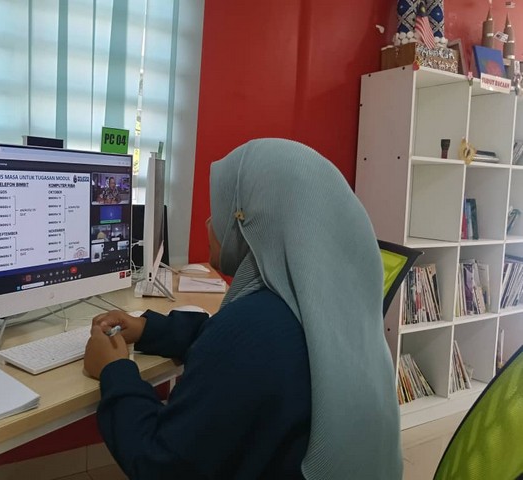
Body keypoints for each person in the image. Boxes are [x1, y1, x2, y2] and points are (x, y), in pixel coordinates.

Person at [84, 138, 402, 479]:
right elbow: (231, 343)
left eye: (222, 209)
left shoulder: (256, 328)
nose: (209, 223)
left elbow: (160, 465)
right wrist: (150, 329)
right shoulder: (330, 308)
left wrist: (114, 371)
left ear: (250, 220)